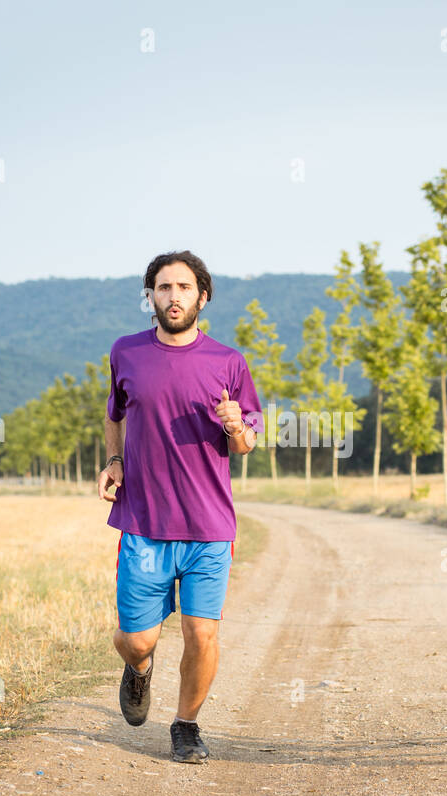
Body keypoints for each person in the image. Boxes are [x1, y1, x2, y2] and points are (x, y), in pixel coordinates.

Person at [97, 250, 261, 763]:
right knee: (137, 640)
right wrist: (115, 459)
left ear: (202, 297)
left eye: (184, 287)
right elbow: (115, 415)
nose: (173, 297)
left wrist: (235, 424)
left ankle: (186, 726)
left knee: (201, 631)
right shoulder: (126, 352)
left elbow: (247, 444)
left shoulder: (228, 362)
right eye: (163, 287)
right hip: (144, 524)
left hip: (209, 526)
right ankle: (140, 671)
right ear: (150, 295)